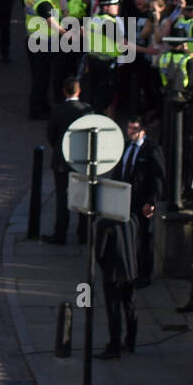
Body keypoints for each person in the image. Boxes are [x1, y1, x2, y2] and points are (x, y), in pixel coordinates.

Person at [112, 116, 165, 288]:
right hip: (125, 200)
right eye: (129, 128)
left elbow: (158, 178)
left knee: (144, 238)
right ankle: (127, 269)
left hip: (142, 202)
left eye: (134, 129)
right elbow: (119, 171)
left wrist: (152, 201)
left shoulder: (152, 150)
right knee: (126, 236)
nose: (131, 133)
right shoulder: (126, 147)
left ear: (143, 130)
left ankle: (144, 274)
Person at [43, 79, 93, 245]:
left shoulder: (58, 110)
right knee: (82, 196)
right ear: (78, 92)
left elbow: (51, 135)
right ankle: (83, 233)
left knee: (62, 197)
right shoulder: (87, 110)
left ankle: (60, 234)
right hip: (82, 159)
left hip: (62, 159)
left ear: (64, 91)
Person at [93, 215, 139, 359]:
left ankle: (114, 346)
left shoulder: (103, 223)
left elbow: (99, 252)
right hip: (131, 270)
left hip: (113, 272)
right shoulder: (132, 218)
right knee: (130, 307)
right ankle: (130, 343)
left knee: (114, 310)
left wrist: (105, 267)